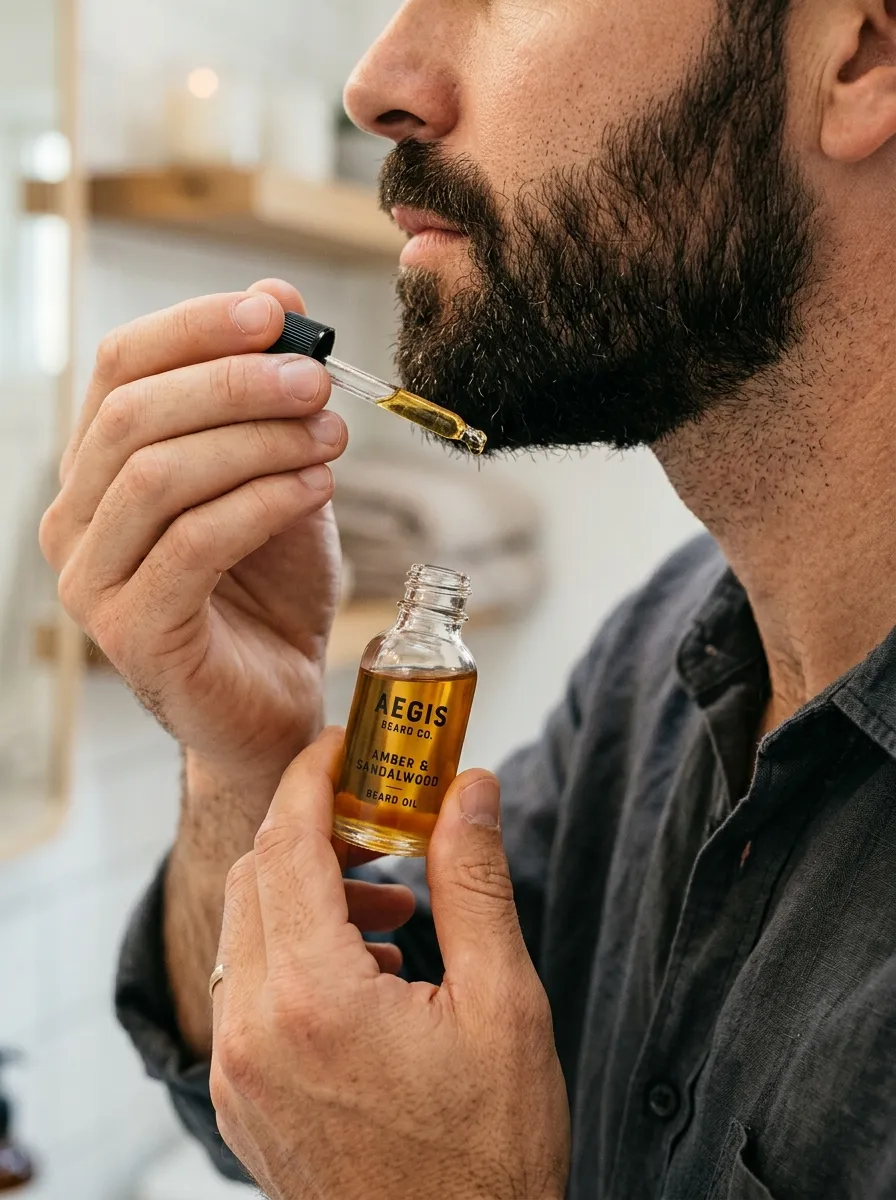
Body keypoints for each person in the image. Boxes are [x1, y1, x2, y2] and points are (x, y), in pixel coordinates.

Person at [39, 0, 896, 1195]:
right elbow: (321, 1094)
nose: (377, 82)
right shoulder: (657, 660)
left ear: (857, 53)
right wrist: (247, 758)